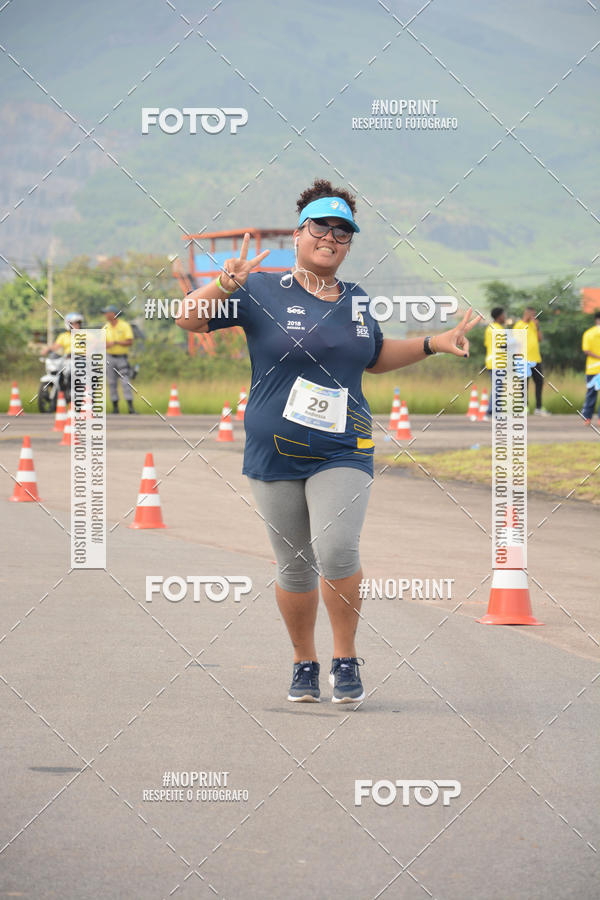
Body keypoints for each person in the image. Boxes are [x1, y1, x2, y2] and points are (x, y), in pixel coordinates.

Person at [176, 178, 480, 705]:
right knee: (294, 564)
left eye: (343, 231)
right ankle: (303, 661)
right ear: (299, 233)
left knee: (337, 550)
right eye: (322, 226)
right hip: (273, 448)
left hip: (345, 446)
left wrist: (434, 342)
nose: (332, 237)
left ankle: (344, 657)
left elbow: (375, 356)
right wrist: (224, 284)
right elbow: (188, 318)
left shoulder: (356, 301)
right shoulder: (259, 289)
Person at [513, 306, 550, 415]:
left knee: (539, 382)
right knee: (524, 384)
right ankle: (525, 407)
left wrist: (538, 327)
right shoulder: (519, 325)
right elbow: (516, 342)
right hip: (523, 359)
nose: (534, 317)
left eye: (535, 314)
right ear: (526, 314)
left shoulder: (534, 325)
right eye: (532, 314)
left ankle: (539, 407)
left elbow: (540, 339)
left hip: (536, 358)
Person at [102, 304, 136, 414]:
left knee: (125, 381)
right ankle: (115, 408)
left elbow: (129, 341)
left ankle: (130, 407)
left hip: (121, 358)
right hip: (109, 357)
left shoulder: (124, 326)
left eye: (107, 313)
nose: (106, 315)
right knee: (111, 382)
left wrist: (116, 342)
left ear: (113, 314)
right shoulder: (105, 327)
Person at [483, 306, 506, 419]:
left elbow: (488, 345)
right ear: (499, 316)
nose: (505, 317)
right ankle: (491, 411)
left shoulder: (489, 328)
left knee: (498, 387)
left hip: (491, 361)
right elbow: (503, 345)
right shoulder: (498, 329)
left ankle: (494, 411)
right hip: (498, 362)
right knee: (498, 388)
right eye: (503, 315)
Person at [581, 311, 600, 425]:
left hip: (592, 369)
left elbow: (586, 350)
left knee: (591, 393)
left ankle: (587, 418)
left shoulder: (588, 333)